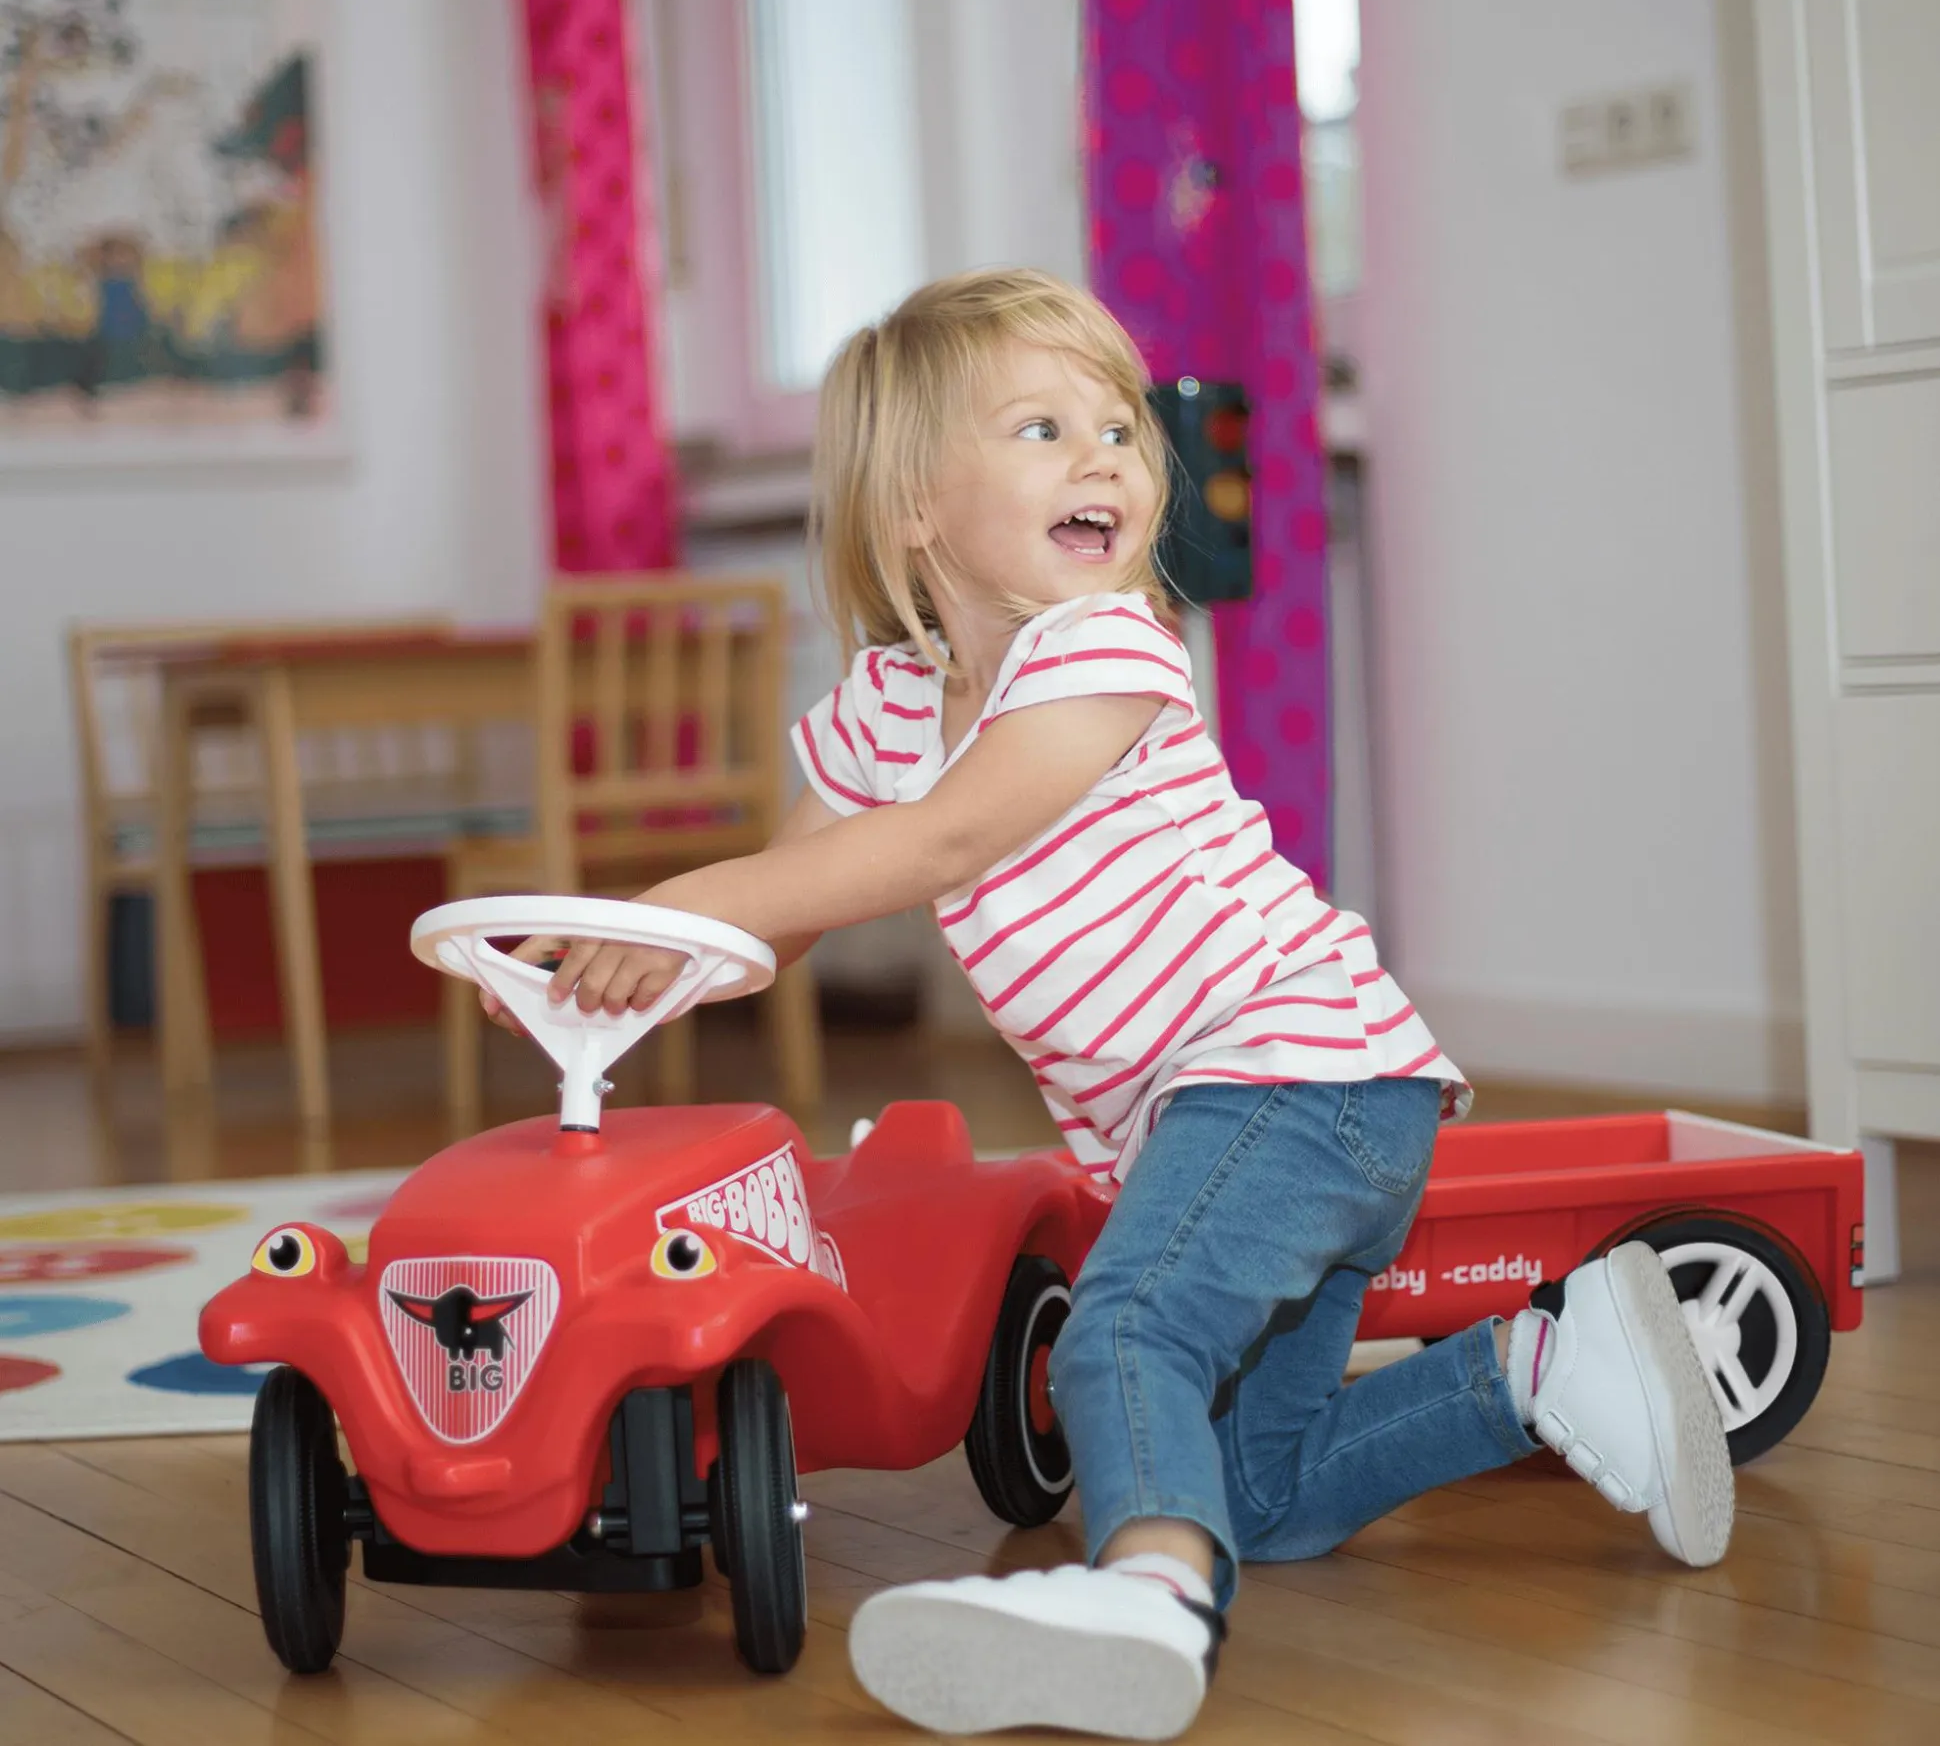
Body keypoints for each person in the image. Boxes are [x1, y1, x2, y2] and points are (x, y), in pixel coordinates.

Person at [487, 267, 1734, 1740]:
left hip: (1294, 1073)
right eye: (1041, 428)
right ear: (913, 512)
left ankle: (1144, 1595)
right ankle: (1544, 1363)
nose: (1106, 456)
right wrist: (629, 965)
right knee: (1258, 1497)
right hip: (1263, 1117)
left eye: (1119, 429)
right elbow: (801, 886)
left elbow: (939, 845)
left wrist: (686, 907)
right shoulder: (890, 702)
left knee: (1122, 1336)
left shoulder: (1109, 650)